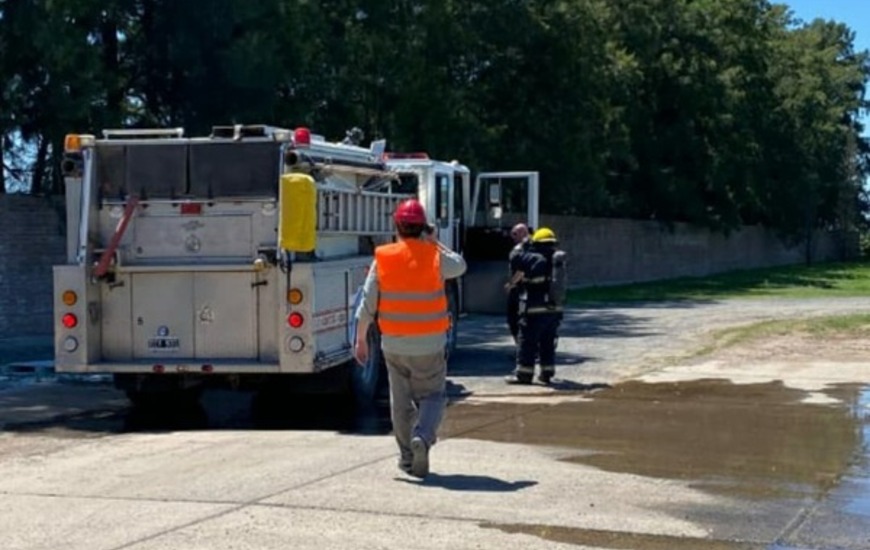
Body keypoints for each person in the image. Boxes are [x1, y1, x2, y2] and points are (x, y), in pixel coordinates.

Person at [353, 199, 467, 478]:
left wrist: (361, 340)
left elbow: (367, 304)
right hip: (430, 344)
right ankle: (423, 437)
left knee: (400, 402)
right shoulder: (435, 256)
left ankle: (406, 457)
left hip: (394, 344)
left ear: (396, 226)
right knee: (433, 396)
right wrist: (435, 242)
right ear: (423, 227)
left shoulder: (384, 258)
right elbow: (460, 265)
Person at [505, 227, 568, 385]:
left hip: (534, 309)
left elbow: (514, 259)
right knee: (548, 342)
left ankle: (524, 374)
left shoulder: (532, 257)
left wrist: (522, 244)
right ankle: (547, 373)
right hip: (554, 310)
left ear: (536, 243)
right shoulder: (557, 260)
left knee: (527, 341)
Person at [505, 223, 530, 343]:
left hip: (520, 289)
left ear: (523, 233)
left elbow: (521, 271)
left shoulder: (519, 250)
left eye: (515, 234)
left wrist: (511, 284)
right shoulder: (534, 248)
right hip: (532, 289)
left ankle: (521, 346)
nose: (512, 237)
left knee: (514, 318)